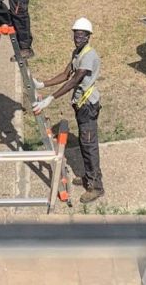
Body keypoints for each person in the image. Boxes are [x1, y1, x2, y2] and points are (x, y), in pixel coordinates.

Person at [32, 17, 104, 203]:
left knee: (89, 146)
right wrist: (42, 84)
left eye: (81, 36)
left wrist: (50, 99)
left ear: (88, 37)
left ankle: (96, 186)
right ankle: (89, 177)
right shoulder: (77, 53)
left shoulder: (88, 55)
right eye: (75, 35)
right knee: (84, 142)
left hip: (88, 105)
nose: (77, 38)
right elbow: (66, 75)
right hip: (81, 105)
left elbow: (75, 80)